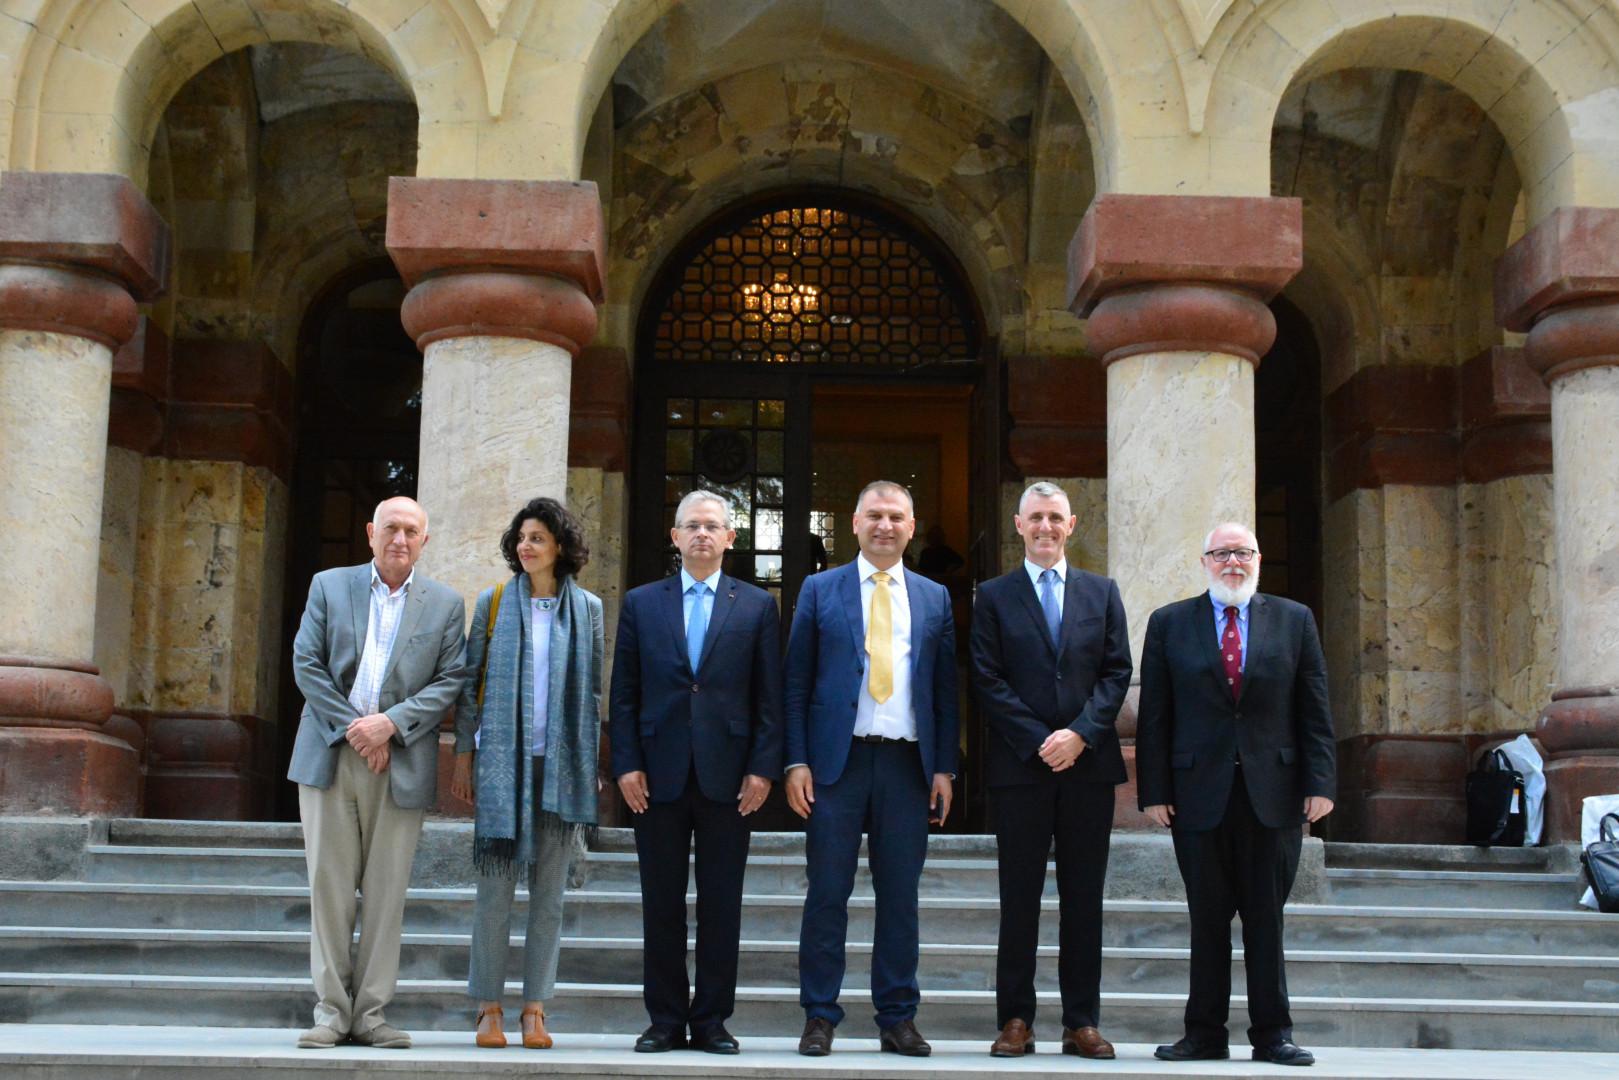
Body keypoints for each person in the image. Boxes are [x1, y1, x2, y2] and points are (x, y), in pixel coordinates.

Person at [1136, 522, 1336, 1067]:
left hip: (1275, 794)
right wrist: (1153, 789)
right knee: (1207, 919)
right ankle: (1204, 1034)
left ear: (1258, 560)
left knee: (1266, 919)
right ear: (1204, 562)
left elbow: (1314, 708)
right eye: (1221, 554)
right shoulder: (1170, 623)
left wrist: (1320, 783)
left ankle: (1273, 1035)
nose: (1232, 562)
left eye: (1242, 552)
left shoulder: (1295, 620)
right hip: (1196, 795)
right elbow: (1156, 715)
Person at [785, 479, 960, 1058]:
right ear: (855, 523)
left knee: (900, 897)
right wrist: (796, 760)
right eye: (875, 516)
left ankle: (897, 1017)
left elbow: (944, 690)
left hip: (908, 765)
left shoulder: (935, 597)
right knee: (827, 892)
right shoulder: (819, 588)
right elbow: (795, 683)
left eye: (897, 517)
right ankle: (819, 1015)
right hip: (837, 764)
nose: (885, 526)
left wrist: (944, 768)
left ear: (912, 528)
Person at [288, 496, 468, 1050]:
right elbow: (307, 663)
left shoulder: (444, 604)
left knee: (387, 892)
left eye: (412, 531)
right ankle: (330, 1013)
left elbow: (450, 677)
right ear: (370, 533)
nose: (400, 539)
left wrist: (389, 724)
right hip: (330, 753)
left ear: (424, 542)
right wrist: (356, 728)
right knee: (330, 888)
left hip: (402, 757)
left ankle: (370, 1014)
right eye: (391, 528)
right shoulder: (328, 585)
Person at [609, 490, 785, 1055]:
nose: (702, 534)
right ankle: (664, 1019)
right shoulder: (641, 603)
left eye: (713, 526)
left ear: (730, 538)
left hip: (729, 779)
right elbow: (625, 694)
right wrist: (626, 764)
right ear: (675, 536)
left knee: (720, 904)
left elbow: (768, 698)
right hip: (655, 777)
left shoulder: (757, 605)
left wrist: (763, 769)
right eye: (692, 526)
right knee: (660, 903)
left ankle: (711, 1019)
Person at [970, 481, 1131, 1059]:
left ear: (1073, 523)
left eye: (1055, 517)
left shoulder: (1103, 592)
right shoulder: (992, 595)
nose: (1045, 527)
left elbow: (1117, 674)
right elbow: (986, 677)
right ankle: (1016, 1019)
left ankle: (1080, 1020)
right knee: (1020, 899)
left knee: (1083, 899)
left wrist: (1081, 735)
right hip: (1022, 769)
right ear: (1019, 525)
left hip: (1088, 770)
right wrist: (1041, 740)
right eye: (1035, 517)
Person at [449, 497, 604, 1050]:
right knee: (494, 890)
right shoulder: (494, 603)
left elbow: (590, 693)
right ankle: (488, 1007)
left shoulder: (587, 609)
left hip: (559, 768)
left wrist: (589, 766)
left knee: (549, 896)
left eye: (537, 537)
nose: (525, 546)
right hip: (501, 768)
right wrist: (464, 758)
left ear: (560, 545)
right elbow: (469, 689)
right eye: (520, 537)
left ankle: (534, 1009)